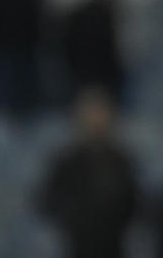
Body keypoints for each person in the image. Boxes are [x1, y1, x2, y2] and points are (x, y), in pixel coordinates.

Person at [36, 86, 140, 258]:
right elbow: (48, 201)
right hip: (79, 246)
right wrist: (75, 217)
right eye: (91, 116)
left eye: (101, 115)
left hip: (113, 246)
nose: (96, 122)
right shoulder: (66, 162)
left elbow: (135, 204)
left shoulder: (121, 161)